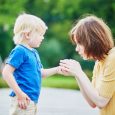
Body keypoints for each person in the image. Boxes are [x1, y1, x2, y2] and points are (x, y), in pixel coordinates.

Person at [2, 13, 60, 115]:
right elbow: (6, 72)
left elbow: (40, 73)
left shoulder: (34, 52)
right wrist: (19, 94)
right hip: (23, 100)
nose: (42, 38)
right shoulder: (20, 50)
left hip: (31, 100)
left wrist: (57, 69)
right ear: (27, 34)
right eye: (40, 34)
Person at [59, 15, 115, 115]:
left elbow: (101, 101)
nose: (77, 49)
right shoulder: (99, 62)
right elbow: (93, 102)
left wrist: (79, 73)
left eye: (79, 43)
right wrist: (76, 74)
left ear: (92, 41)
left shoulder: (113, 58)